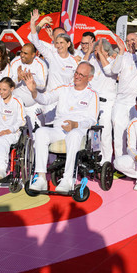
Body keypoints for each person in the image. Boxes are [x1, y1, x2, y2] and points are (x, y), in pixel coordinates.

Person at [25, 62, 99, 193]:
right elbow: (45, 99)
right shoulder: (64, 88)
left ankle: (68, 179)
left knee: (74, 134)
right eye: (76, 72)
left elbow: (92, 120)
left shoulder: (92, 94)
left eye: (81, 74)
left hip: (78, 131)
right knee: (41, 132)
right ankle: (41, 177)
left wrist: (76, 124)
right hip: (59, 129)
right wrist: (33, 91)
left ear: (90, 78)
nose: (77, 76)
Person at [81, 38, 117, 163]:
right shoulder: (91, 60)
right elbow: (80, 67)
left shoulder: (113, 62)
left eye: (99, 50)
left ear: (106, 52)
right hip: (91, 102)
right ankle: (93, 158)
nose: (96, 53)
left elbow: (111, 70)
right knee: (90, 132)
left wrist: (101, 54)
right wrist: (90, 51)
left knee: (105, 133)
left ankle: (106, 161)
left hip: (107, 103)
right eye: (96, 51)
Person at [111, 34, 137, 159]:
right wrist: (120, 52)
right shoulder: (122, 56)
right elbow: (114, 70)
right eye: (128, 41)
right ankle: (120, 161)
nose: (130, 43)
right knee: (119, 131)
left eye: (133, 40)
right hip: (121, 101)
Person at [10, 43, 48, 128]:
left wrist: (30, 80)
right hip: (17, 106)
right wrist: (18, 79)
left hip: (34, 105)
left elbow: (42, 85)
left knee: (36, 135)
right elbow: (8, 84)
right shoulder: (15, 62)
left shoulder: (41, 64)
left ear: (33, 55)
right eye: (21, 52)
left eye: (25, 53)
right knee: (16, 134)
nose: (22, 55)